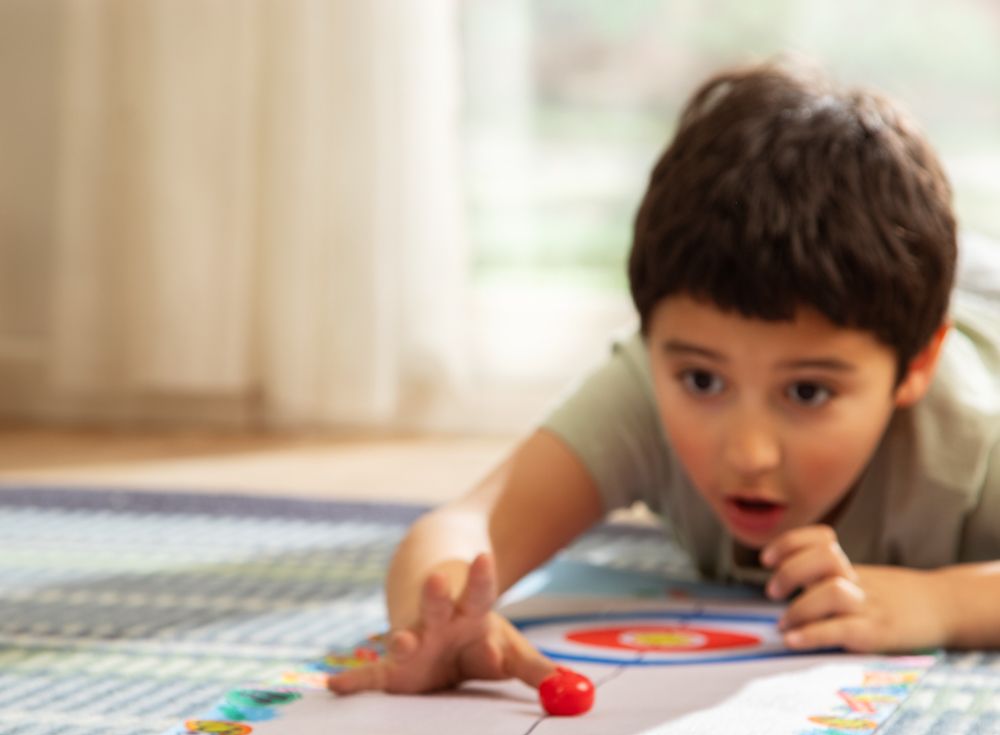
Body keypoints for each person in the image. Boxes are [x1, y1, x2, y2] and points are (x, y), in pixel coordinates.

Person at [329, 61, 1000, 699]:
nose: (748, 452)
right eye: (703, 382)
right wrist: (436, 615)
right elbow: (465, 525)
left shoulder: (970, 439)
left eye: (807, 392)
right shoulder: (647, 388)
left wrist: (943, 603)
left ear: (914, 368)